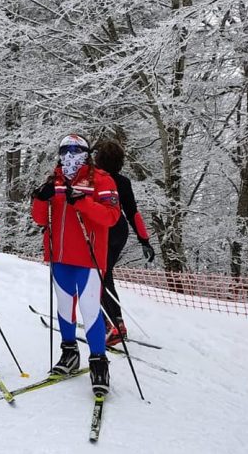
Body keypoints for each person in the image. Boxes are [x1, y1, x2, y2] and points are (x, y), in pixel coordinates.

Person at [31, 134, 120, 397]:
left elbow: (111, 217)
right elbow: (39, 219)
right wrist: (40, 198)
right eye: (65, 150)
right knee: (64, 308)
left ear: (86, 153)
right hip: (60, 258)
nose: (70, 155)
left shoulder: (102, 180)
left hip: (88, 259)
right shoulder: (54, 180)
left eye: (76, 150)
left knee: (90, 311)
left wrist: (82, 201)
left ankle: (98, 362)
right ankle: (69, 353)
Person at [93, 139, 155, 346]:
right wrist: (144, 240)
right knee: (105, 273)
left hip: (102, 231)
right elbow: (133, 213)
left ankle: (112, 325)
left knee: (97, 275)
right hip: (120, 232)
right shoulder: (124, 182)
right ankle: (114, 321)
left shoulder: (93, 180)